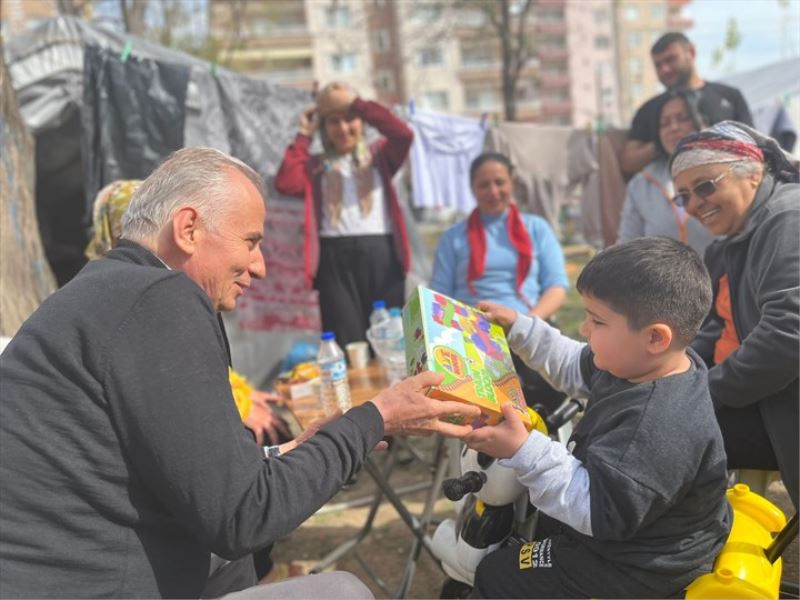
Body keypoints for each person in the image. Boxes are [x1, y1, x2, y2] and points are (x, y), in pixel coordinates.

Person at [0, 147, 481, 598]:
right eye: (251, 242)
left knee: (239, 565)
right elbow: (244, 515)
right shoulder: (160, 299)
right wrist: (377, 416)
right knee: (342, 592)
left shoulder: (106, 290)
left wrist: (289, 452)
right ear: (188, 228)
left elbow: (191, 470)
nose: (261, 266)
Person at [465, 237, 730, 599]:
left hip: (635, 565)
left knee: (497, 575)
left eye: (597, 321)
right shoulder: (643, 364)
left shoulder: (657, 428)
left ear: (655, 337)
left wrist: (525, 448)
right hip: (627, 526)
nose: (585, 330)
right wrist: (520, 329)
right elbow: (574, 364)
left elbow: (595, 511)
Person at [85, 178, 291, 450]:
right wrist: (241, 409)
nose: (259, 269)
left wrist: (243, 396)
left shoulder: (169, 296)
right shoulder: (124, 307)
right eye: (249, 242)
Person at [670, 121, 799, 509]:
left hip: (784, 405)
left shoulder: (787, 218)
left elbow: (787, 338)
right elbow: (714, 329)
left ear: (754, 172)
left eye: (706, 186)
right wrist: (667, 372)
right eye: (683, 197)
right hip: (764, 399)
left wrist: (700, 395)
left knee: (656, 429)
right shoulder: (733, 240)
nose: (694, 204)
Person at [274, 82, 413, 348]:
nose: (343, 129)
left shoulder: (380, 156)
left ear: (362, 122)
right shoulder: (316, 166)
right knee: (348, 340)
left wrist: (358, 104)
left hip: (381, 254)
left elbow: (403, 135)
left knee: (392, 337)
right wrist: (304, 135)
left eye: (351, 120)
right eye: (333, 122)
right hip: (334, 259)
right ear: (324, 128)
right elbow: (286, 182)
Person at [430, 152, 569, 411]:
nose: (493, 191)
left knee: (543, 388)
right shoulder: (453, 238)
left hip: (528, 323)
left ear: (511, 183)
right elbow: (438, 296)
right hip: (472, 334)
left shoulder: (536, 228)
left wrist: (525, 324)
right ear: (472, 189)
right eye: (484, 185)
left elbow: (557, 287)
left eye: (500, 182)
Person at [620, 32, 752, 178]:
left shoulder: (729, 96)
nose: (665, 69)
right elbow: (628, 162)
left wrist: (708, 140)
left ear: (691, 52)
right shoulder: (648, 110)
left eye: (671, 59)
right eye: (658, 65)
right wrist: (664, 143)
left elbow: (752, 146)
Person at [618, 90, 717, 256]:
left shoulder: (726, 171)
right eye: (664, 123)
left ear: (703, 121)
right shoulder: (641, 185)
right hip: (662, 282)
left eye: (683, 118)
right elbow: (625, 249)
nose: (673, 128)